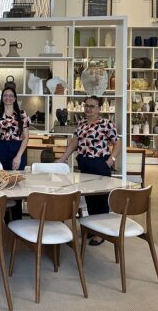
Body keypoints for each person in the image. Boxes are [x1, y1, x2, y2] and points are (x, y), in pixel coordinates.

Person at [57, 95, 121, 246]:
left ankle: (101, 233)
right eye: (86, 105)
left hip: (100, 164)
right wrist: (62, 159)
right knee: (90, 198)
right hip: (84, 164)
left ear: (99, 109)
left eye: (92, 106)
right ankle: (93, 228)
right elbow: (74, 143)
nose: (89, 109)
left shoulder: (106, 124)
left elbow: (117, 142)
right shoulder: (81, 123)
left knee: (101, 199)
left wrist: (111, 160)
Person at [0, 87, 31, 171]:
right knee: (1, 176)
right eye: (5, 95)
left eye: (11, 96)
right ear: (2, 98)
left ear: (15, 99)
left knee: (17, 176)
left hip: (17, 148)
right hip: (0, 148)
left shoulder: (22, 114)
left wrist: (18, 156)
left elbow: (26, 137)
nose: (8, 97)